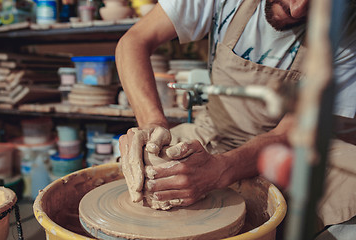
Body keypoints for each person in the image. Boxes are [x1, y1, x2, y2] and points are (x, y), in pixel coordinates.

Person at [116, 0, 356, 238]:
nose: (297, 10)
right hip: (213, 133)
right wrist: (153, 123)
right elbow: (133, 42)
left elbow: (290, 133)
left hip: (286, 148)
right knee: (140, 166)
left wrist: (222, 170)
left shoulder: (345, 26)